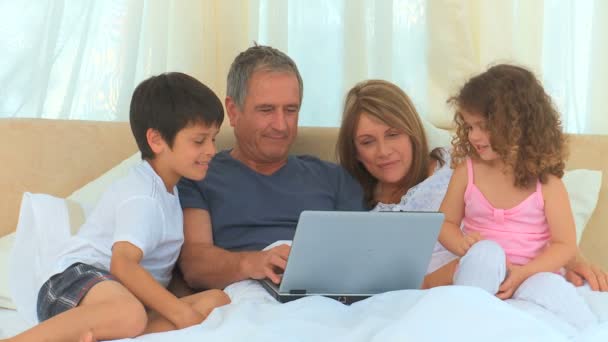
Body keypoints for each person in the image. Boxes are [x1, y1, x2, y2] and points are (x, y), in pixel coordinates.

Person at [5, 72, 230, 342]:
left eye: (213, 139)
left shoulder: (170, 192)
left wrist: (183, 309)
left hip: (121, 298)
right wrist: (183, 316)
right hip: (73, 283)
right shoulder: (143, 196)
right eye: (199, 140)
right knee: (131, 313)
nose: (211, 151)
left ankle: (106, 333)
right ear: (157, 140)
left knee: (217, 300)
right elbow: (123, 264)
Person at [336, 79, 608, 292]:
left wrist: (574, 261)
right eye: (367, 142)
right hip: (436, 290)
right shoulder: (350, 199)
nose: (383, 151)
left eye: (393, 134)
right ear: (355, 151)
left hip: (503, 273)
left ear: (412, 133)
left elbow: (530, 212)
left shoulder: (455, 165)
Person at [177, 44, 365, 290]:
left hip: (327, 301)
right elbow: (195, 265)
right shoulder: (199, 174)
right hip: (246, 300)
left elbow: (365, 257)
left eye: (290, 110)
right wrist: (253, 263)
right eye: (266, 110)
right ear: (233, 112)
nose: (281, 125)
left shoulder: (333, 178)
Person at [437, 64, 595, 329]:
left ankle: (589, 332)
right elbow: (445, 223)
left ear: (518, 124)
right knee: (487, 252)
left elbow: (564, 245)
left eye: (482, 126)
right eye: (469, 126)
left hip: (529, 273)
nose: (473, 136)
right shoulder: (468, 172)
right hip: (481, 269)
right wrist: (462, 244)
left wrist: (525, 273)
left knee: (556, 291)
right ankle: (469, 324)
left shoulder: (547, 184)